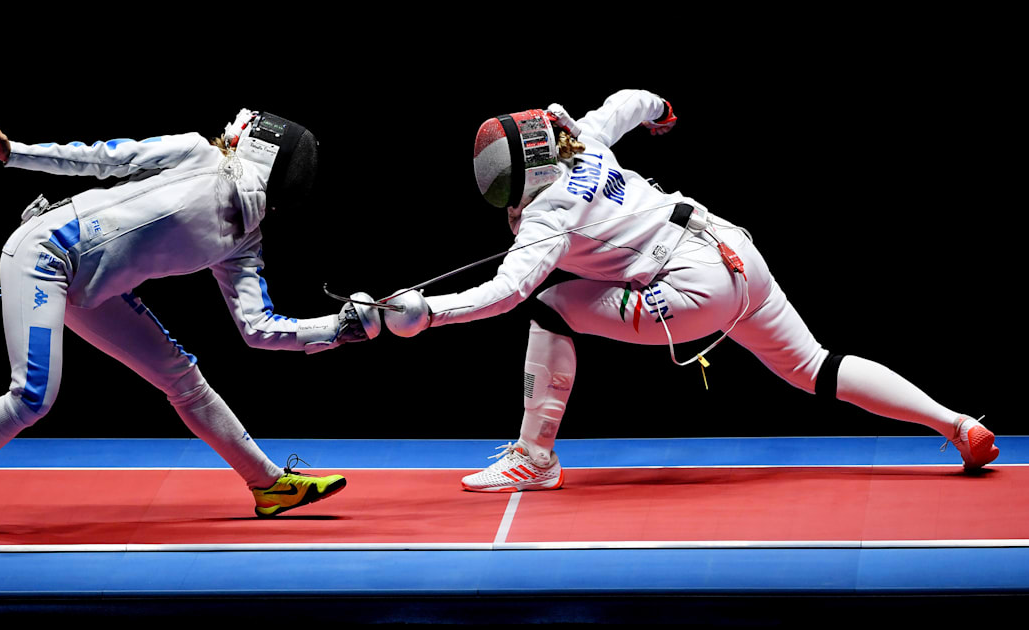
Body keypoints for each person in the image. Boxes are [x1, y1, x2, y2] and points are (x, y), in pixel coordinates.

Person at [383, 89, 998, 492]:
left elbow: (508, 292)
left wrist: (429, 311)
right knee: (815, 366)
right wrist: (661, 111)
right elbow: (629, 101)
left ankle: (535, 458)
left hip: (686, 288)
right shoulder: (588, 142)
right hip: (734, 250)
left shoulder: (548, 214)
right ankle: (956, 424)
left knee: (549, 309)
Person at [0, 109, 379, 533]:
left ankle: (270, 486)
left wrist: (337, 328)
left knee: (184, 379)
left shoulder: (243, 240)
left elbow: (258, 328)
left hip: (92, 290)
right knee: (33, 396)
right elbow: (103, 158)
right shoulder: (197, 153)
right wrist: (18, 152)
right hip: (46, 253)